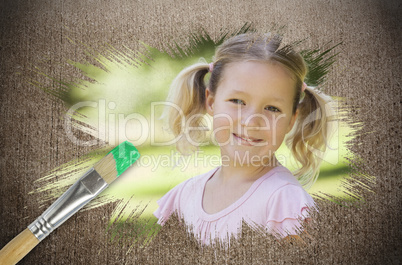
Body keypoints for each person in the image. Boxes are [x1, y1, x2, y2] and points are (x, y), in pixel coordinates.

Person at [153, 32, 334, 245]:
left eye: (272, 108)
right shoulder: (182, 199)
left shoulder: (285, 203)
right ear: (211, 102)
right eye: (237, 101)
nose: (251, 121)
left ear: (292, 119)